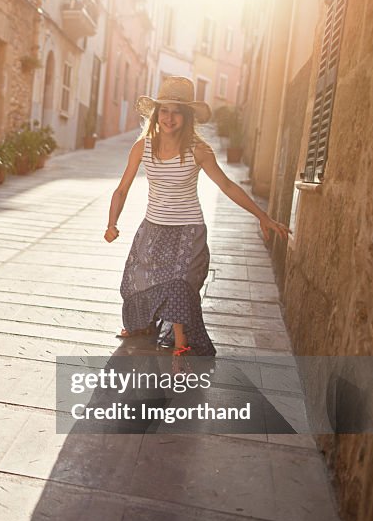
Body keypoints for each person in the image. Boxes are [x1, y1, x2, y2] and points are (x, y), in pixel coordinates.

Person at [105, 77, 290, 356]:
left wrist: (262, 216)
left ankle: (182, 344)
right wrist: (111, 223)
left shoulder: (199, 151)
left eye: (177, 111)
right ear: (156, 114)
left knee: (180, 283)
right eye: (164, 110)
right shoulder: (142, 148)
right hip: (153, 228)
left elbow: (227, 185)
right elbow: (122, 190)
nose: (169, 117)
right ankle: (141, 324)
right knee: (135, 280)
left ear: (187, 116)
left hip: (188, 230)